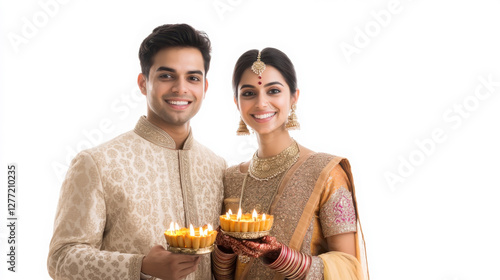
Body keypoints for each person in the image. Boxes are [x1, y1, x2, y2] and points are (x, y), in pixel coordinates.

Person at [47, 23, 226, 280]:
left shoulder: (216, 166)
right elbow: (61, 259)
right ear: (143, 83)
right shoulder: (98, 163)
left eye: (193, 78)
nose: (180, 88)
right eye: (166, 76)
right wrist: (140, 266)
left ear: (205, 87)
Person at [212, 48, 368, 279]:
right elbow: (222, 275)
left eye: (273, 91)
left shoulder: (326, 173)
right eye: (248, 93)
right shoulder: (231, 177)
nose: (261, 103)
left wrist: (280, 256)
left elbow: (348, 268)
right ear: (236, 102)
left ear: (294, 97)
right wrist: (223, 248)